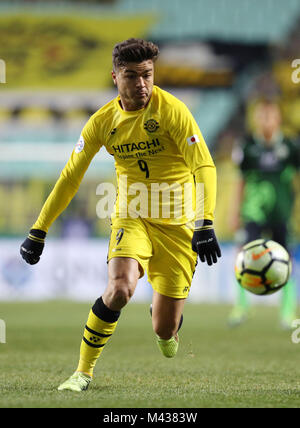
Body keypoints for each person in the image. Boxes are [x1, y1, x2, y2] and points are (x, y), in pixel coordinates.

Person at [20, 38, 221, 392]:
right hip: (132, 214)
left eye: (147, 75)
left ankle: (165, 321)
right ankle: (82, 373)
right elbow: (70, 177)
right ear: (115, 77)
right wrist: (39, 230)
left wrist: (205, 221)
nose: (142, 84)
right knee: (119, 289)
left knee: (165, 331)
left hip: (178, 225)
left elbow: (203, 165)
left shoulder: (172, 110)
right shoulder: (102, 122)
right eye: (132, 76)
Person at [228, 99, 300, 328]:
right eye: (261, 116)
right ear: (256, 119)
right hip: (253, 212)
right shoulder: (247, 146)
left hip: (281, 211)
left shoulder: (290, 146)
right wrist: (235, 211)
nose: (265, 120)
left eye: (269, 115)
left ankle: (288, 313)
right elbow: (240, 181)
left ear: (278, 118)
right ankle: (241, 308)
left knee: (286, 258)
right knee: (243, 255)